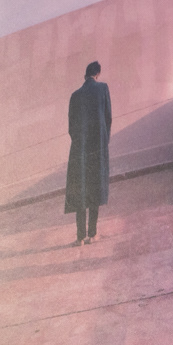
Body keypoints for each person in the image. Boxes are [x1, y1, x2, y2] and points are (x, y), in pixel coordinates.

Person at [65, 60, 112, 245]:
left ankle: (80, 237)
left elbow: (71, 127)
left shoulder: (74, 96)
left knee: (81, 189)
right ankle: (93, 234)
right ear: (97, 74)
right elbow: (108, 118)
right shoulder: (102, 89)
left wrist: (80, 143)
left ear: (85, 75)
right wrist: (103, 142)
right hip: (97, 148)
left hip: (79, 150)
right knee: (94, 188)